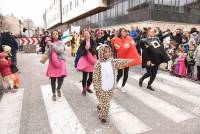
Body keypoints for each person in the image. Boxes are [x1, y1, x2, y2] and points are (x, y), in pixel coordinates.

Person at [93, 44, 133, 123]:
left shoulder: (111, 61)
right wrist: (97, 89)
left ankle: (100, 106)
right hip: (101, 88)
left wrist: (129, 60)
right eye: (105, 52)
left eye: (109, 52)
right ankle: (103, 116)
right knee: (106, 104)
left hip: (110, 86)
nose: (108, 53)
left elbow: (120, 62)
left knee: (105, 101)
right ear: (101, 53)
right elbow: (95, 78)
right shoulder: (98, 64)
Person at [112, 28, 141, 92]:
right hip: (120, 59)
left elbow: (134, 45)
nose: (124, 32)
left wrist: (131, 44)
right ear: (120, 32)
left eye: (125, 31)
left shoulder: (129, 38)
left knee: (126, 73)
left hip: (127, 58)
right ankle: (116, 83)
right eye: (123, 31)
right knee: (120, 74)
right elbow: (117, 48)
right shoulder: (116, 39)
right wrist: (125, 46)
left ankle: (122, 86)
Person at [46, 30, 67, 101]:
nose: (55, 35)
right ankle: (54, 93)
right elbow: (47, 54)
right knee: (53, 79)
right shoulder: (49, 43)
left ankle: (58, 88)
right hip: (52, 62)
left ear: (58, 35)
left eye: (56, 34)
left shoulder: (61, 42)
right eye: (53, 34)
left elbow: (60, 50)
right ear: (52, 35)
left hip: (60, 61)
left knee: (61, 78)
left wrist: (52, 44)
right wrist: (49, 48)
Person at [76, 30, 97, 96]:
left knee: (91, 76)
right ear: (84, 35)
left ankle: (87, 87)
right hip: (85, 60)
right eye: (85, 34)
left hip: (91, 60)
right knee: (84, 76)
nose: (86, 35)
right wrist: (85, 49)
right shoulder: (83, 42)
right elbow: (79, 50)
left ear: (90, 34)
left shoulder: (93, 41)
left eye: (87, 33)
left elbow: (95, 50)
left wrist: (90, 49)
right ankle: (84, 89)